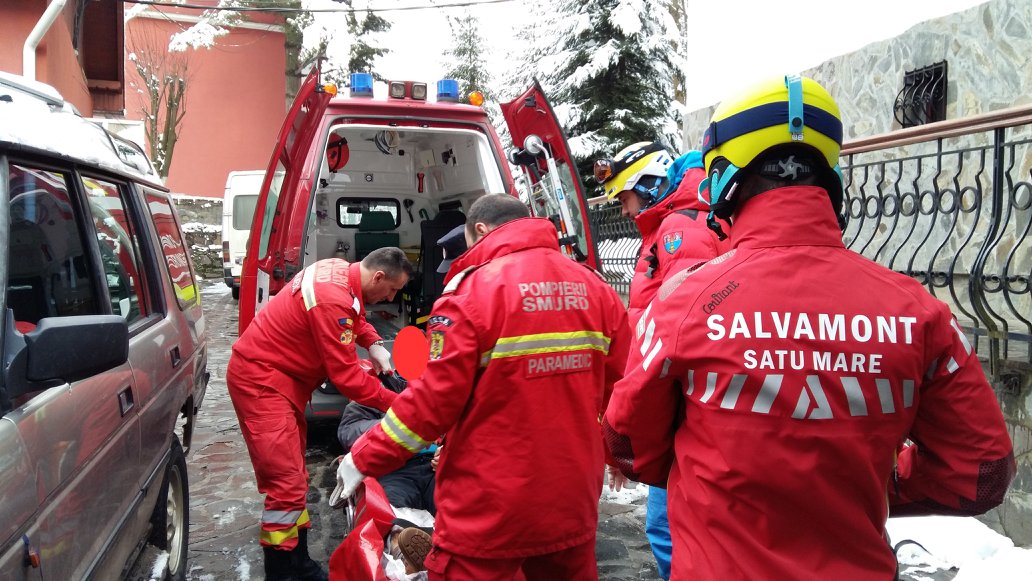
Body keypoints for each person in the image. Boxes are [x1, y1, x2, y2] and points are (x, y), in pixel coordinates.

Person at [602, 75, 1016, 579]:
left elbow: (626, 442)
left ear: (726, 178)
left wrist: (716, 474)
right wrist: (868, 482)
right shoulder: (917, 310)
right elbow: (983, 472)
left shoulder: (686, 300)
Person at [332, 193, 630, 580]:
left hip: (492, 499)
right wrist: (617, 453)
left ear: (481, 231)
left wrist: (363, 457)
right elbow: (623, 389)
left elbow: (431, 406)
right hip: (572, 494)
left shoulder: (471, 293)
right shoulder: (596, 288)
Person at [227, 248, 413, 581]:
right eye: (392, 290)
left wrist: (372, 342)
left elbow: (354, 315)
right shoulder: (332, 298)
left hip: (279, 381)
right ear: (379, 277)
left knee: (293, 476)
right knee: (285, 483)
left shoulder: (338, 271)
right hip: (263, 383)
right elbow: (346, 378)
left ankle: (297, 562)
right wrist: (394, 403)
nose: (391, 296)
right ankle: (282, 571)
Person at [595, 142, 728, 580]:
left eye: (625, 195)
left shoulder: (678, 229)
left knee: (668, 528)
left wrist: (635, 419)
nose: (623, 207)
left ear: (649, 184)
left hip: (684, 401)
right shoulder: (680, 223)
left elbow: (682, 326)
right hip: (692, 398)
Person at [337, 373, 437, 515]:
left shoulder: (438, 389)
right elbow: (349, 431)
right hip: (394, 470)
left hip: (436, 467)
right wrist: (401, 425)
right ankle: (398, 533)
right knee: (389, 509)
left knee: (457, 503)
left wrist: (447, 451)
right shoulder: (376, 389)